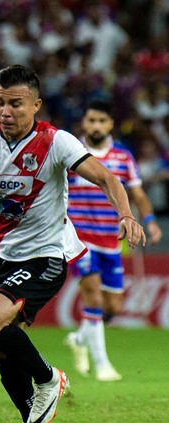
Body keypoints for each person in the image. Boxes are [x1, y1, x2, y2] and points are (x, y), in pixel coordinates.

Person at [0, 65, 145, 423]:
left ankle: (48, 379)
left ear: (36, 105)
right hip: (5, 255)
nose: (5, 111)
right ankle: (34, 421)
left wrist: (126, 214)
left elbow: (107, 179)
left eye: (15, 103)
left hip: (47, 254)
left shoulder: (57, 142)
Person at [65, 100, 162, 381]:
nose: (96, 125)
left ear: (110, 125)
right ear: (84, 122)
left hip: (111, 240)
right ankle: (103, 365)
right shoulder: (72, 153)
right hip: (79, 238)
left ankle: (80, 339)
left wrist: (150, 220)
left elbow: (138, 194)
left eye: (101, 121)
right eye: (91, 120)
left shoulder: (122, 158)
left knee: (113, 307)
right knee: (92, 293)